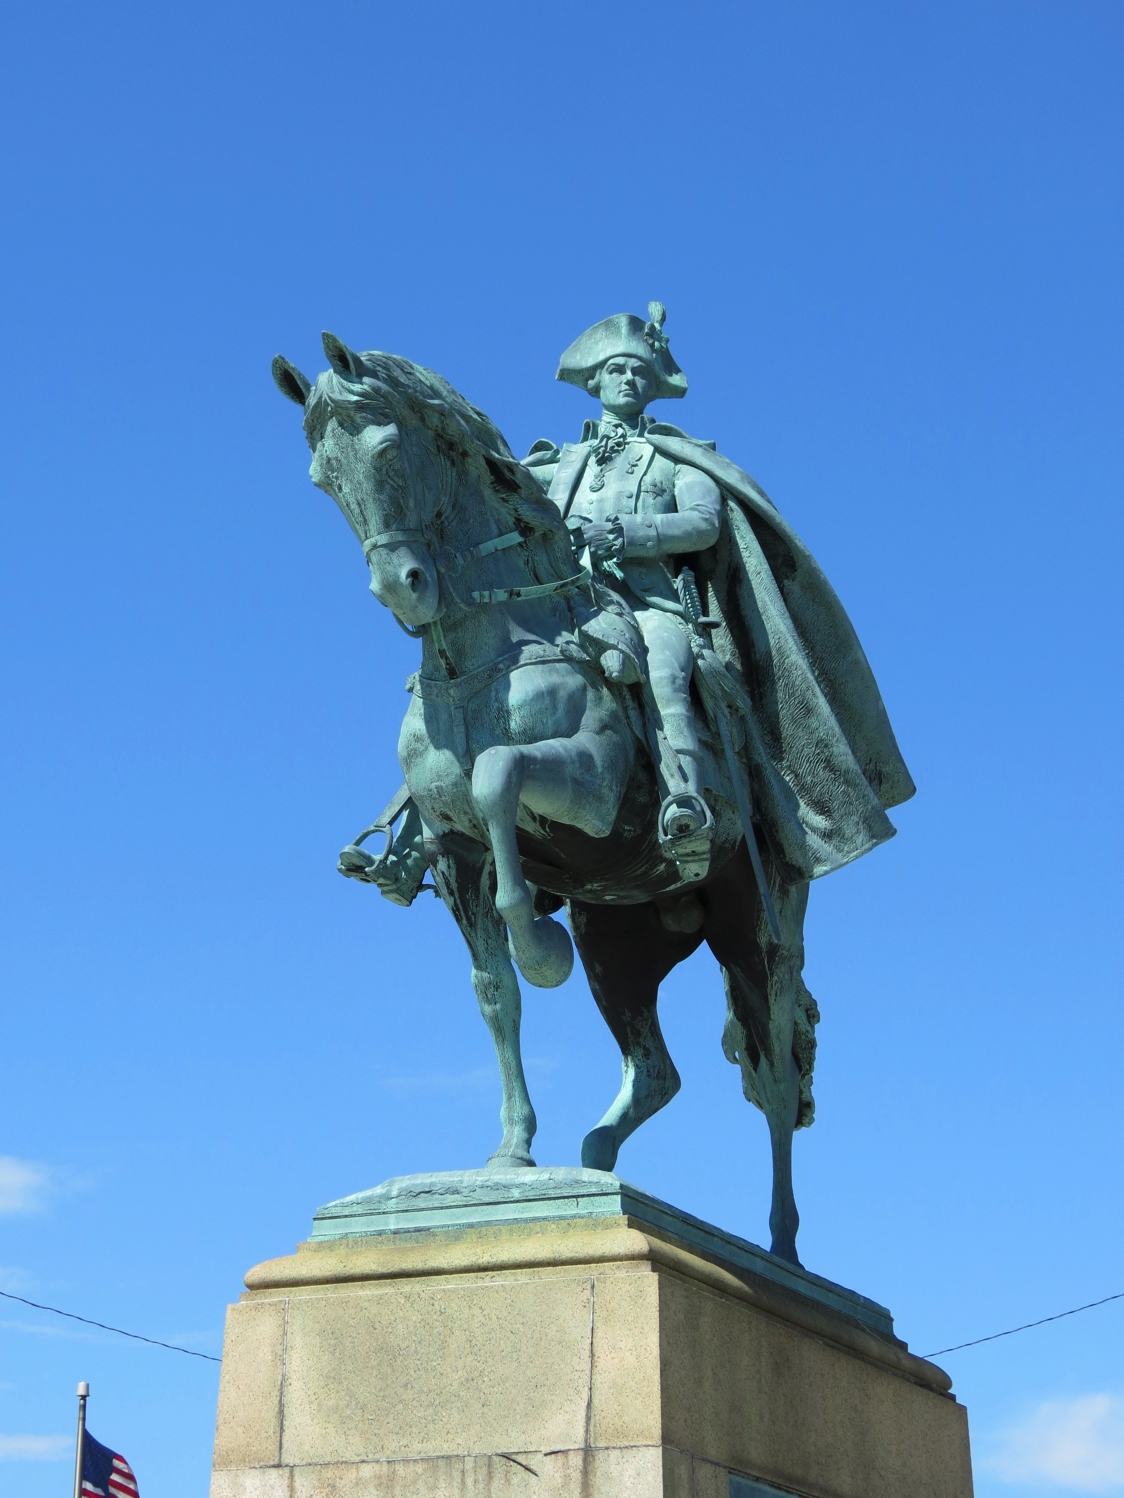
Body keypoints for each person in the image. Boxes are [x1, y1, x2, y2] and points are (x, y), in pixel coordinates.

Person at [525, 303, 720, 848]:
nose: (629, 378)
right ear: (595, 381)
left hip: (645, 606)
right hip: (565, 607)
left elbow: (705, 523)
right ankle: (419, 825)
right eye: (616, 369)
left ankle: (686, 803)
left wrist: (629, 534)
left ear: (653, 386)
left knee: (663, 674)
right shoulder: (558, 463)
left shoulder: (679, 456)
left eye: (640, 371)